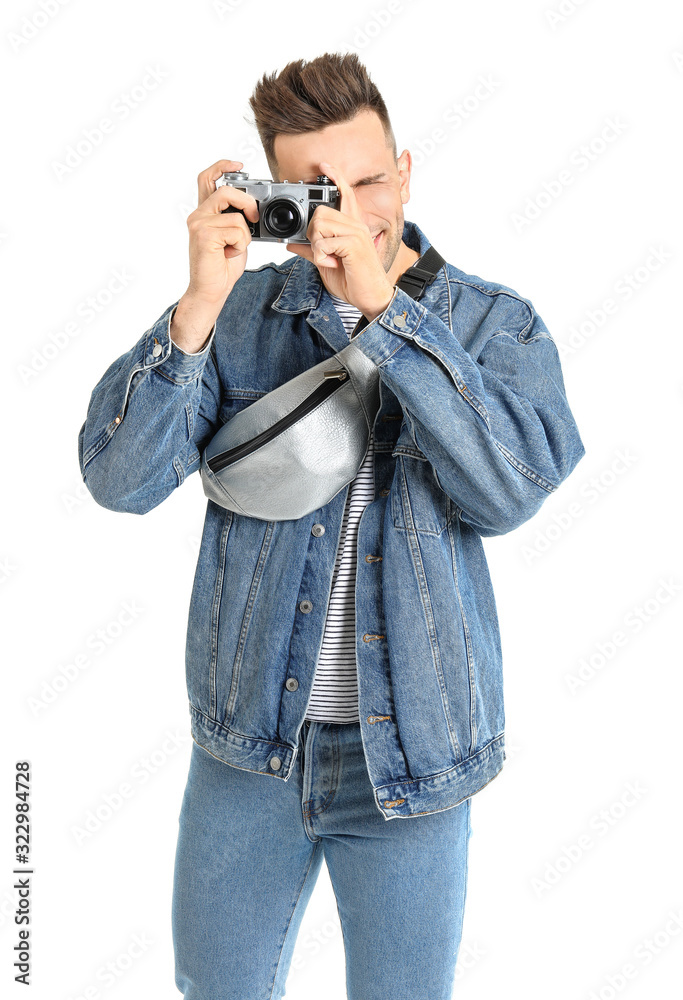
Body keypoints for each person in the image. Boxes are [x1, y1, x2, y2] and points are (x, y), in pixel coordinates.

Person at [77, 52, 586, 1000]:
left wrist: (389, 315)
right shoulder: (239, 317)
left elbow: (510, 493)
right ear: (273, 193)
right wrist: (196, 303)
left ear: (406, 167)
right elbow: (119, 481)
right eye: (316, 191)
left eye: (369, 180)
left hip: (414, 756)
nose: (349, 210)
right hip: (247, 749)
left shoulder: (492, 325)